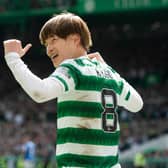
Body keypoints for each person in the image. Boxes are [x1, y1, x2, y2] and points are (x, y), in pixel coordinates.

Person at [3, 12, 143, 168]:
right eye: (46, 44)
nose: (49, 49)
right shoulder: (110, 74)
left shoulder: (73, 68)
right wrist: (109, 69)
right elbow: (137, 104)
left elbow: (40, 92)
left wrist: (13, 59)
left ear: (75, 39)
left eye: (53, 40)